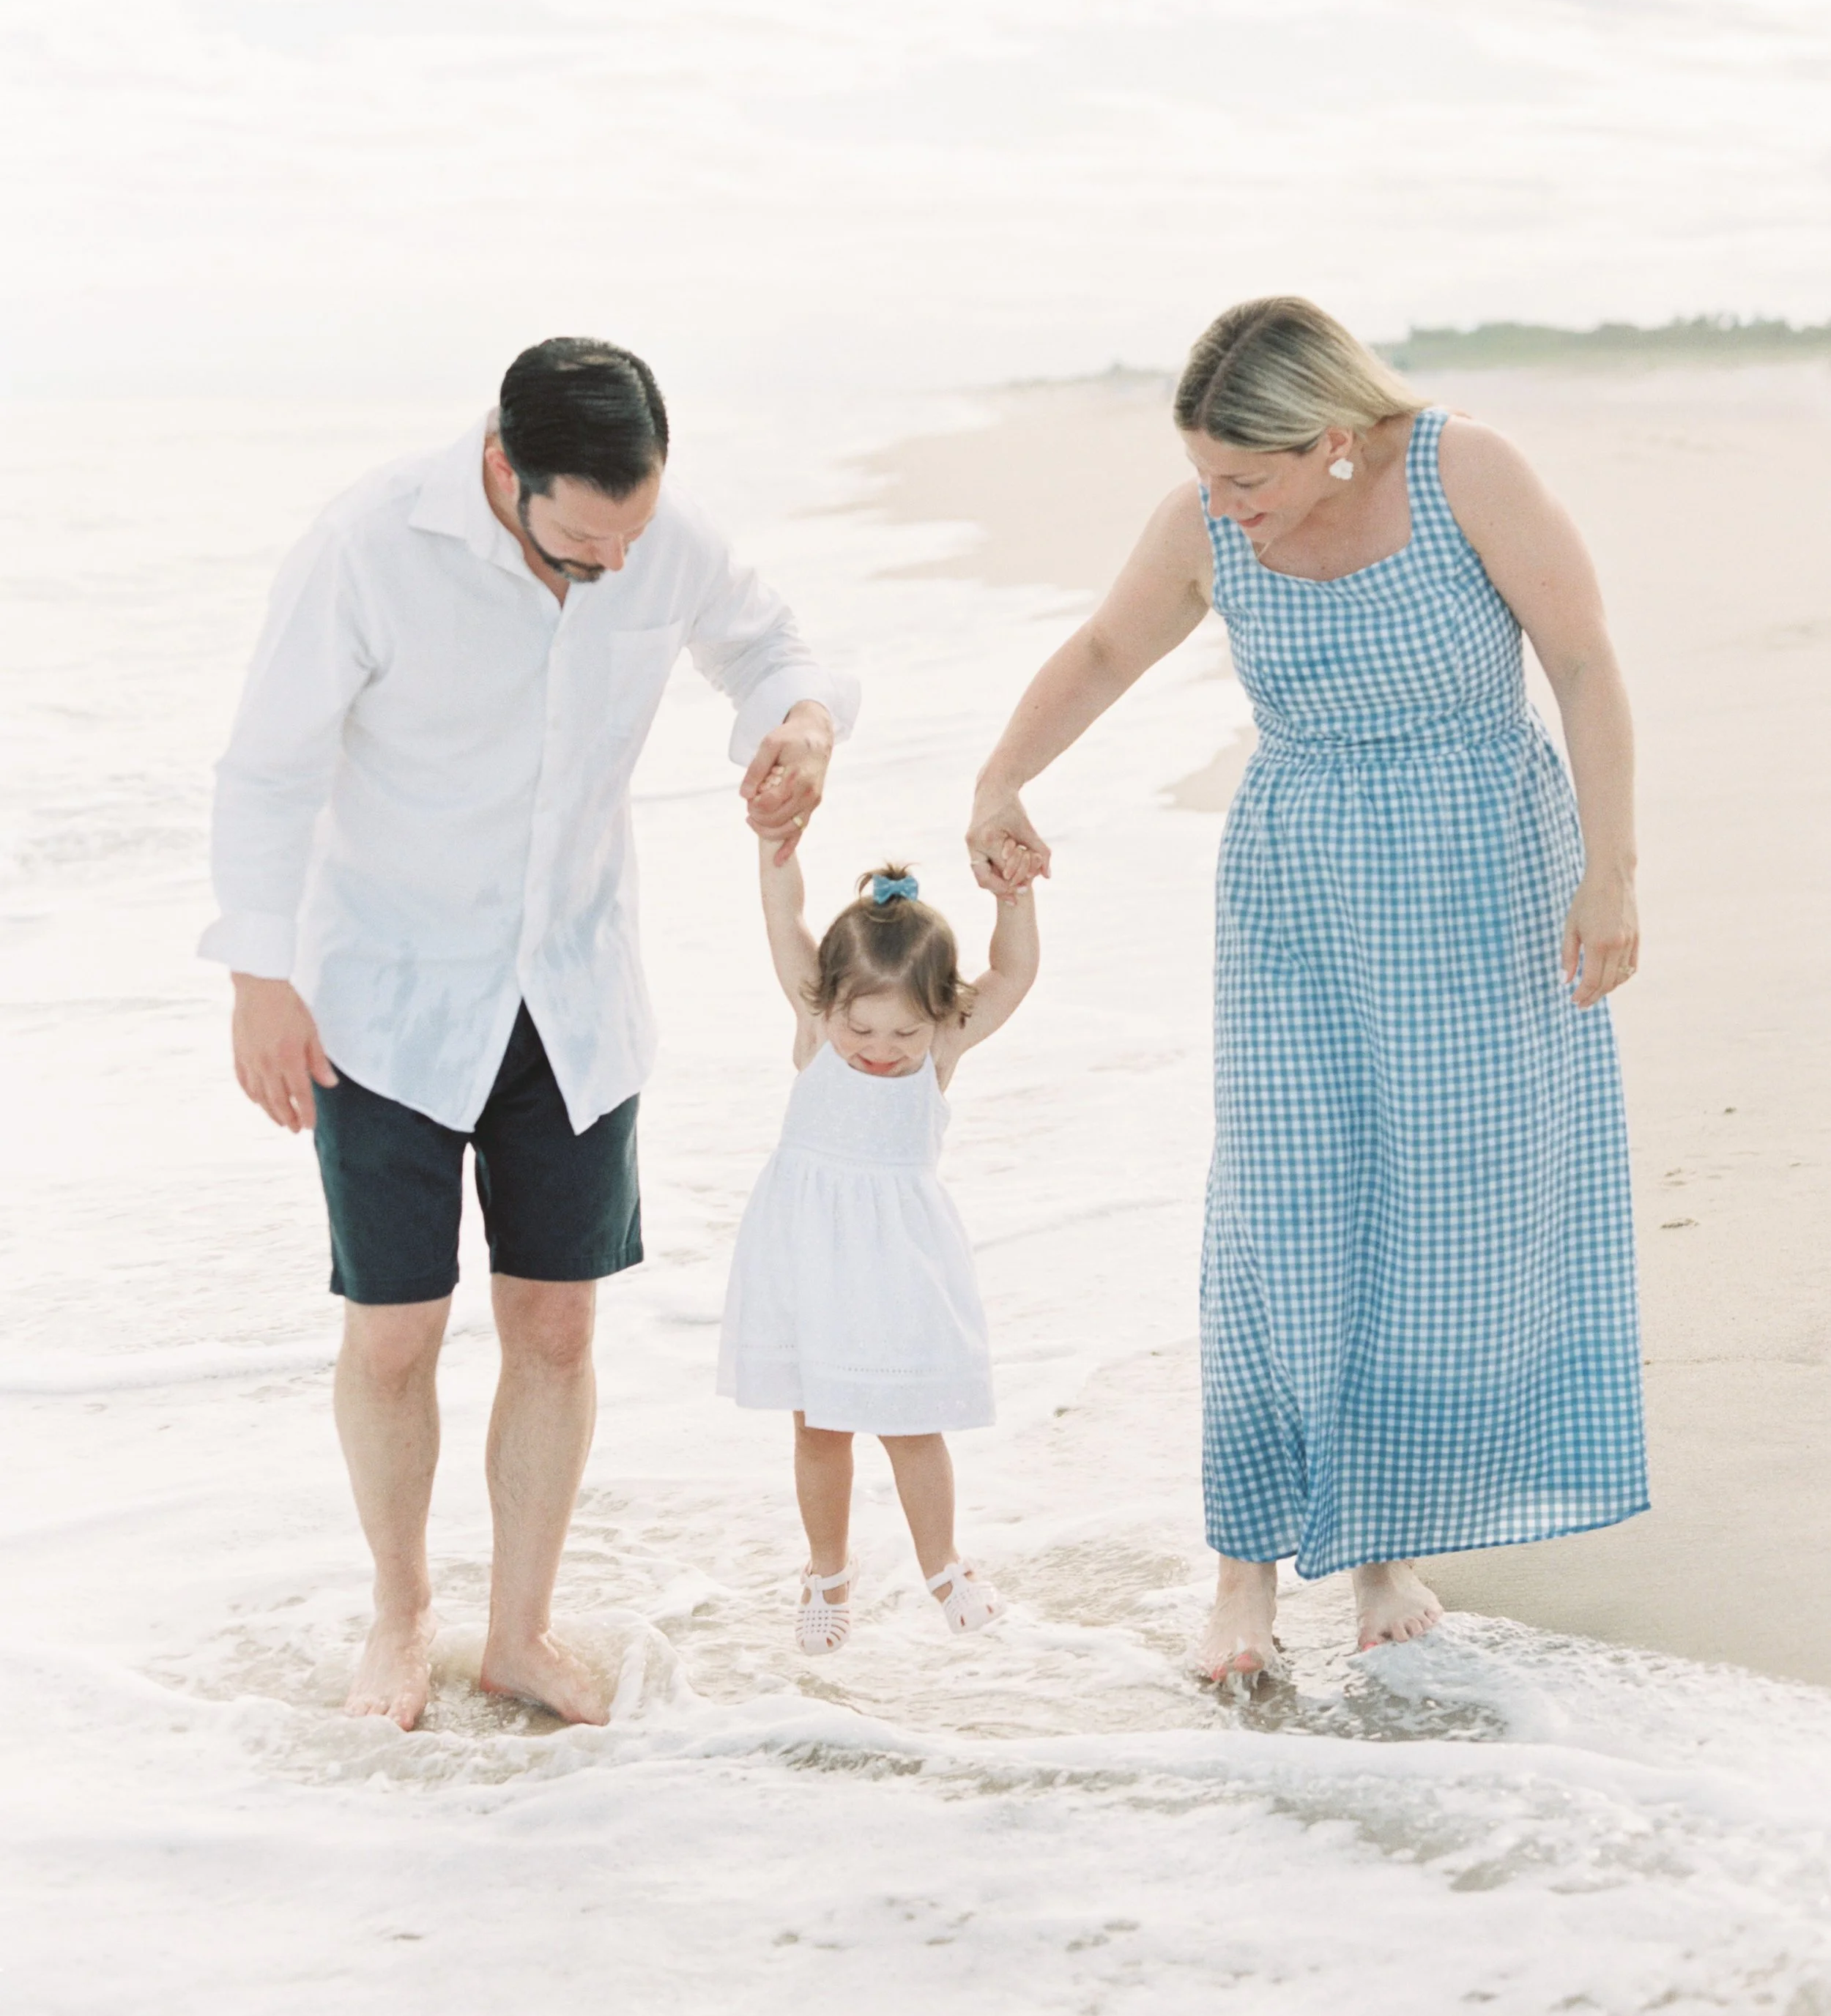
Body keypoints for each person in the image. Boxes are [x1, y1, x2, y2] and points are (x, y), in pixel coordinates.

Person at [966, 296, 1646, 1678]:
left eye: (1248, 480)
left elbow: (1582, 661)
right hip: (1299, 896)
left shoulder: (1467, 472)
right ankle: (1244, 1571)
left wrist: (1614, 874)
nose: (1224, 506)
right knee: (1281, 1210)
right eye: (1208, 477)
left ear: (1335, 440)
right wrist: (1001, 774)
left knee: (1443, 1210)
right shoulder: (1204, 524)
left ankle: (1384, 1539)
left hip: (1486, 883)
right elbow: (1106, 649)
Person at [202, 336, 857, 1730]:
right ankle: (400, 1615)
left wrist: (797, 725)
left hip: (571, 992)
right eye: (576, 548)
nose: (606, 571)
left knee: (556, 1326)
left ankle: (519, 1630)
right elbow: (266, 768)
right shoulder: (371, 544)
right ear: (505, 466)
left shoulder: (653, 537)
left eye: (625, 543)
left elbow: (773, 643)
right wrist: (261, 974)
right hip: (384, 995)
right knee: (395, 1333)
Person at [718, 849, 1039, 1651]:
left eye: (905, 1030)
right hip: (805, 1257)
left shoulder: (941, 1052)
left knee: (909, 1421)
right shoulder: (814, 1023)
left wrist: (1015, 899)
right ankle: (826, 1572)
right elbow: (783, 917)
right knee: (818, 1427)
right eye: (859, 1027)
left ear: (939, 1019)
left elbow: (1012, 974)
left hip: (895, 1263)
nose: (879, 1047)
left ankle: (945, 1567)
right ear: (828, 1006)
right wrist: (778, 849)